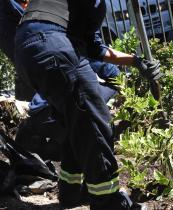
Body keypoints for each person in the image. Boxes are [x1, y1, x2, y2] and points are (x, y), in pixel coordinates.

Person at [15, 0, 161, 209]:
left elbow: (94, 49)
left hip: (27, 52)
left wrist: (136, 62)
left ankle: (71, 192)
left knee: (76, 121)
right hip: (52, 44)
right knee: (95, 121)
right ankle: (109, 201)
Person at [0, 0, 120, 161]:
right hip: (46, 55)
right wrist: (116, 75)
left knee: (77, 121)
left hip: (35, 56)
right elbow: (89, 48)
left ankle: (49, 129)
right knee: (90, 119)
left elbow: (89, 47)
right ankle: (42, 125)